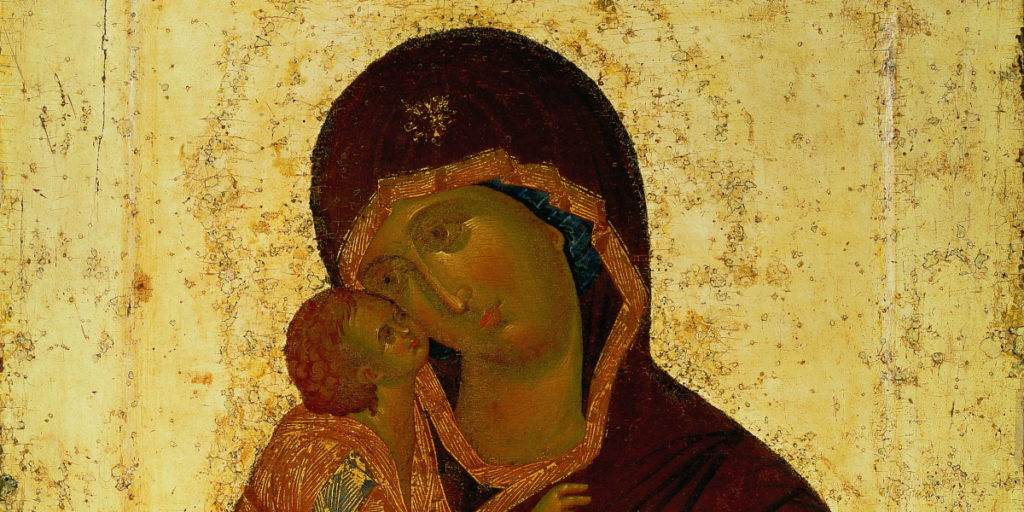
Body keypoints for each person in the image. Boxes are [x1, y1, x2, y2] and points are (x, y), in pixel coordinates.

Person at [308, 28, 831, 511]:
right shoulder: (353, 474)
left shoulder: (724, 486)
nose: (449, 300)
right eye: (391, 279)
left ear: (553, 213)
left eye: (444, 235)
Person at [235, 288, 591, 512]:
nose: (407, 329)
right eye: (387, 335)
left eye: (399, 315)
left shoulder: (416, 401)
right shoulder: (332, 460)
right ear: (367, 372)